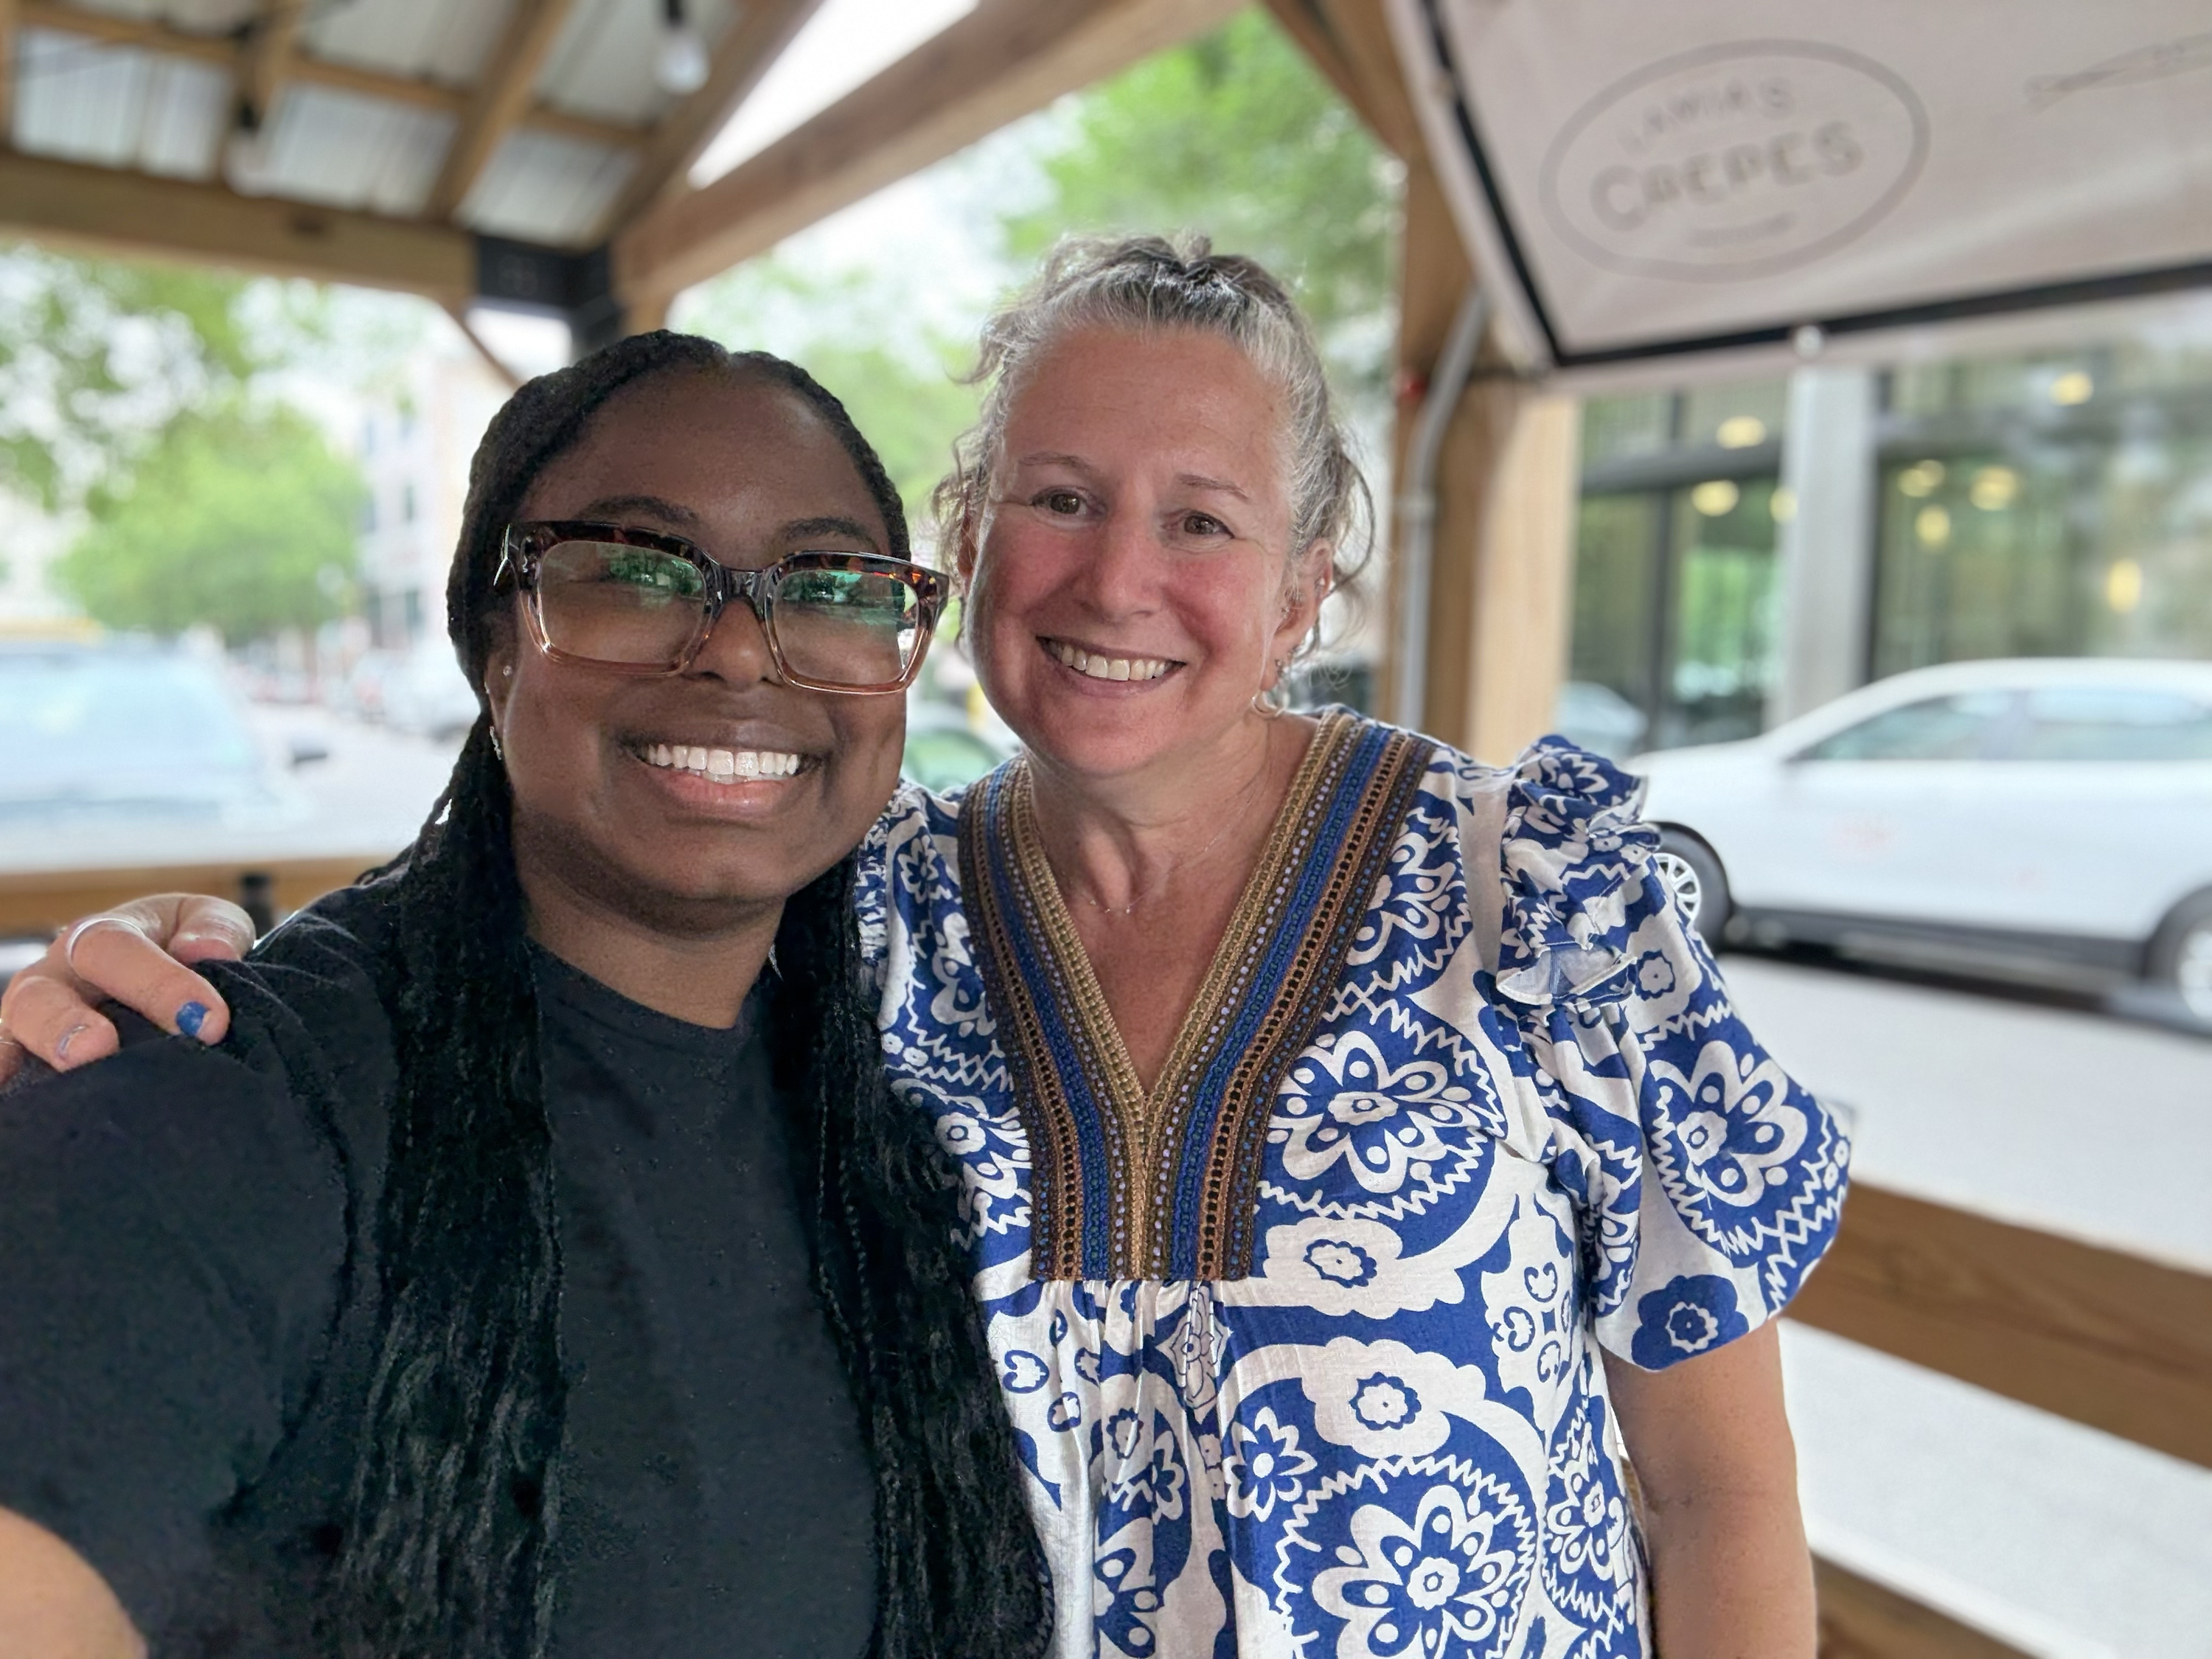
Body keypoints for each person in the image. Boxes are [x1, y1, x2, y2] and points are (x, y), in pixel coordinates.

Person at [7, 238, 1848, 1659]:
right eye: (1058, 497)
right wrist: (184, 982)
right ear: (968, 548)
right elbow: (513, 949)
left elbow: (1724, 1497)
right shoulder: (863, 910)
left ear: (1307, 586)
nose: (1117, 578)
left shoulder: (1537, 901)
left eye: (1201, 521)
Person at [0, 333, 1050, 1658]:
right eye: (632, 570)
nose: (737, 653)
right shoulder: (224, 1098)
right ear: (492, 650)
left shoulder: (920, 1089)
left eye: (832, 582)